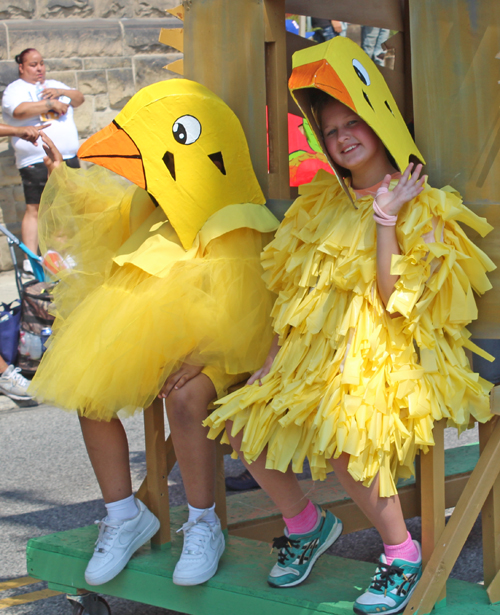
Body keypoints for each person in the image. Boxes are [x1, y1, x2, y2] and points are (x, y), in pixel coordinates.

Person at [205, 36, 495, 615]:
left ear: (379, 123)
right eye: (331, 131)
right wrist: (273, 356)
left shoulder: (426, 203)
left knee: (343, 434)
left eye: (351, 123)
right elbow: (295, 290)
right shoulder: (320, 204)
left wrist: (387, 220)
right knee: (241, 425)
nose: (342, 138)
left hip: (388, 354)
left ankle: (401, 554)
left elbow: (396, 303)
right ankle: (306, 525)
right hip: (313, 356)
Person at [29, 80, 278, 588]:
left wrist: (201, 349)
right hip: (150, 334)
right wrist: (65, 176)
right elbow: (102, 212)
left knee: (186, 399)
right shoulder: (151, 207)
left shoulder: (235, 213)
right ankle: (123, 514)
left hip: (218, 340)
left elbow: (242, 299)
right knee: (90, 391)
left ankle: (204, 523)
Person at [1, 48, 84, 276]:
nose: (39, 69)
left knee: (67, 206)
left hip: (67, 157)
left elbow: (78, 98)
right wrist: (50, 105)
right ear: (22, 67)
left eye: (41, 64)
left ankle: (66, 254)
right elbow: (19, 112)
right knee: (36, 207)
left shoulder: (54, 85)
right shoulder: (15, 90)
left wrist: (58, 92)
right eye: (33, 65)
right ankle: (31, 259)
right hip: (37, 158)